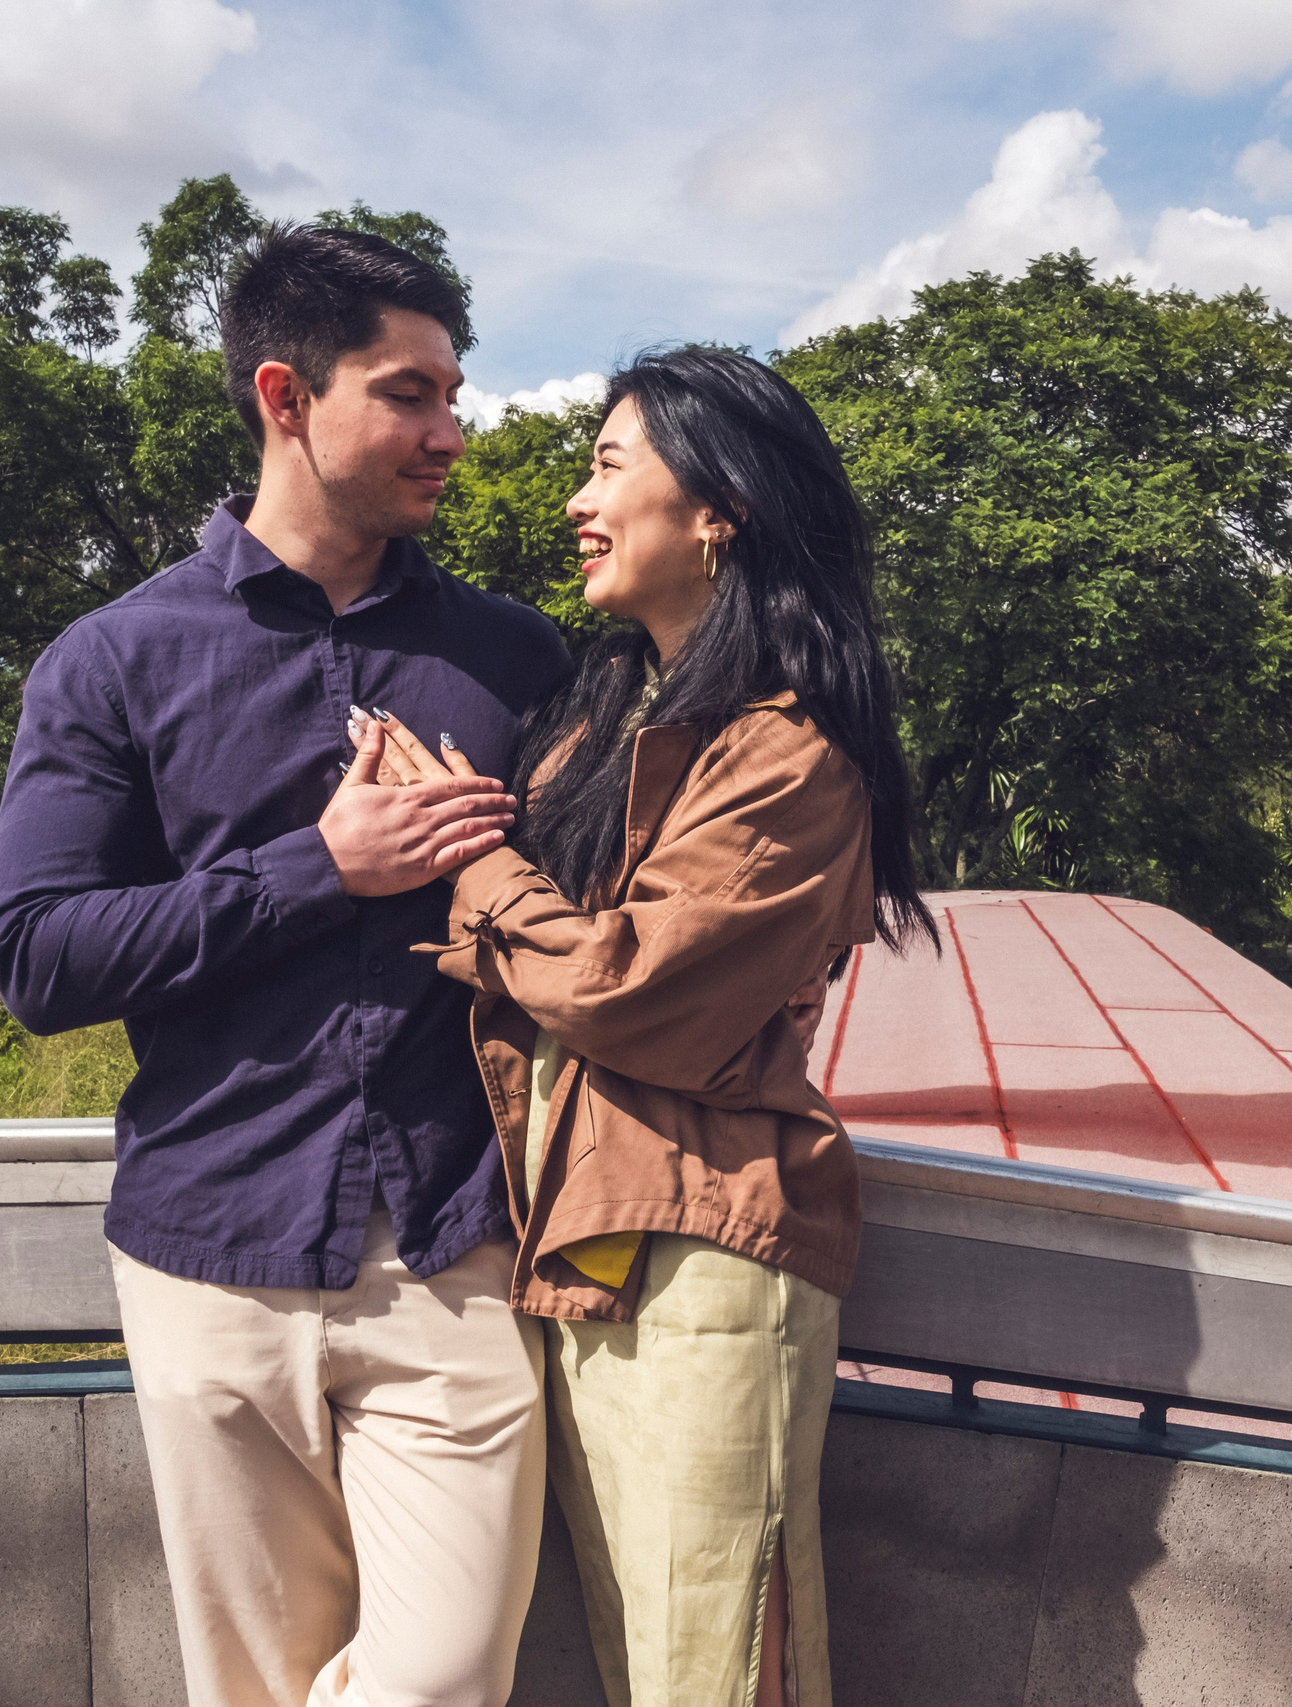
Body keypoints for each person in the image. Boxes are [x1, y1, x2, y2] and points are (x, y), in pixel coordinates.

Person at [0, 225, 574, 1707]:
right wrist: (327, 865)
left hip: (456, 1245)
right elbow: (40, 955)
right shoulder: (115, 659)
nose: (452, 430)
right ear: (285, 395)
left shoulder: (519, 661)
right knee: (245, 1679)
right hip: (208, 1247)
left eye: (455, 390)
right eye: (408, 392)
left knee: (442, 1672)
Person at [367, 345, 935, 1707]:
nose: (578, 498)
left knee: (712, 1668)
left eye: (609, 464)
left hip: (706, 1256)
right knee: (642, 1661)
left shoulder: (791, 752)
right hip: (589, 1247)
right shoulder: (606, 720)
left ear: (719, 509)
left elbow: (630, 988)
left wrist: (469, 861)